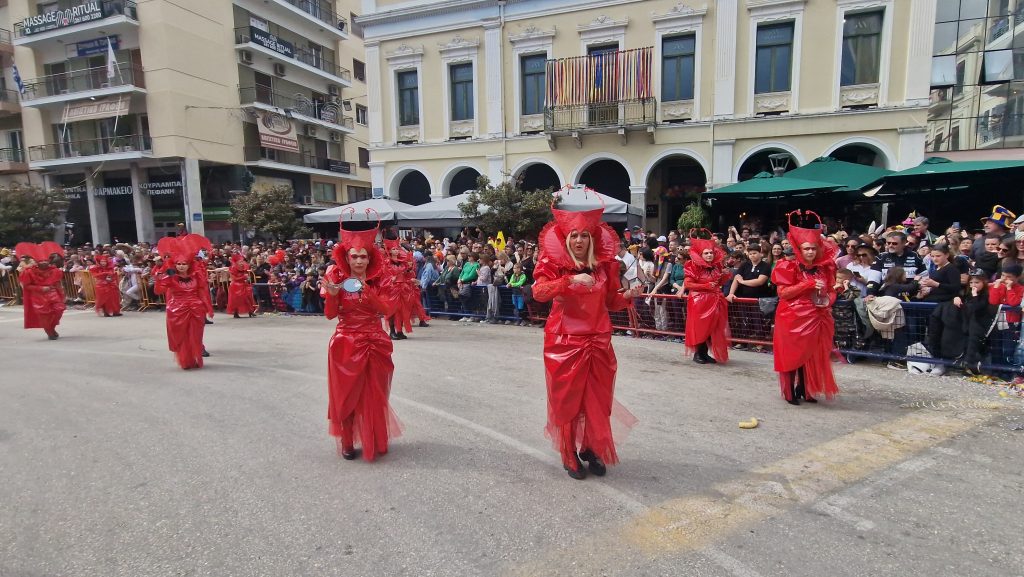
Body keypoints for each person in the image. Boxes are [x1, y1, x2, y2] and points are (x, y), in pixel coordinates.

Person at [532, 195, 642, 480]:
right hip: (564, 342)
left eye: (583, 235)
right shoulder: (554, 264)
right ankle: (569, 453)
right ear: (566, 239)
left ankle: (591, 448)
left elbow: (610, 302)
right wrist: (569, 280)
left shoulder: (605, 267)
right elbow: (539, 293)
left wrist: (628, 296)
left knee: (597, 401)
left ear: (591, 238)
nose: (579, 240)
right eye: (573, 235)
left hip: (599, 341)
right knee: (568, 401)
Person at [322, 217, 401, 461]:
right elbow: (330, 316)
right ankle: (347, 441)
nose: (358, 260)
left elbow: (387, 310)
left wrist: (367, 290)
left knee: (375, 393)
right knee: (345, 396)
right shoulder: (335, 278)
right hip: (345, 343)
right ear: (346, 258)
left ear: (370, 257)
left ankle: (375, 438)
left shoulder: (383, 278)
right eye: (354, 256)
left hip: (375, 341)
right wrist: (333, 296)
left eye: (363, 256)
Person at [772, 211, 838, 405]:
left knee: (812, 355)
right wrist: (807, 285)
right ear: (799, 249)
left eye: (813, 248)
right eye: (806, 248)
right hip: (791, 318)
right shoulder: (787, 265)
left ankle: (806, 390)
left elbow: (831, 290)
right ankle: (790, 392)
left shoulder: (825, 267)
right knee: (791, 355)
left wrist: (829, 299)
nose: (810, 252)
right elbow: (783, 293)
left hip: (817, 317)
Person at [154, 235, 214, 370]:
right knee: (182, 336)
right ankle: (186, 360)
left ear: (189, 264)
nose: (181, 266)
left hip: (196, 308)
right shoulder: (171, 277)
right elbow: (158, 291)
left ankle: (196, 357)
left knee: (195, 335)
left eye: (184, 264)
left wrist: (208, 308)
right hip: (177, 310)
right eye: (179, 264)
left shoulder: (196, 276)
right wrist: (160, 278)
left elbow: (202, 293)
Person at [684, 232, 730, 364]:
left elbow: (718, 283)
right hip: (699, 302)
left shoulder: (716, 266)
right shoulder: (692, 265)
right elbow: (688, 284)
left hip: (714, 301)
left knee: (712, 329)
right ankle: (698, 353)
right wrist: (706, 285)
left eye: (711, 252)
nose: (709, 255)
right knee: (700, 329)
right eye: (706, 253)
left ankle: (704, 354)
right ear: (700, 255)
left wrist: (724, 276)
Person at [15, 241, 66, 340]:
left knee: (59, 310)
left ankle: (52, 328)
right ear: (37, 262)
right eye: (41, 261)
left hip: (53, 294)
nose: (44, 262)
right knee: (45, 316)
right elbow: (27, 286)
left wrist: (62, 295)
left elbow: (58, 284)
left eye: (46, 260)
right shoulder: (28, 272)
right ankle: (49, 331)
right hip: (38, 297)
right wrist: (41, 288)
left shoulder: (55, 271)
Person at [89, 252, 122, 317]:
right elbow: (96, 275)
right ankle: (106, 312)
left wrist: (111, 276)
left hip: (111, 285)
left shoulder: (110, 268)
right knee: (104, 299)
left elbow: (113, 275)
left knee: (114, 298)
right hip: (101, 286)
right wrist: (105, 274)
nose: (103, 263)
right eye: (102, 261)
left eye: (104, 261)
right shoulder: (96, 268)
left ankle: (115, 311)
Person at [226, 253, 257, 318]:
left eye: (242, 261)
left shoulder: (242, 267)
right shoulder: (232, 268)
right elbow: (234, 278)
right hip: (235, 286)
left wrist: (246, 277)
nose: (241, 263)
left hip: (243, 285)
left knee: (248, 298)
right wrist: (244, 277)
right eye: (240, 261)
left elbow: (244, 275)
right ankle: (236, 312)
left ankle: (250, 311)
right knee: (236, 301)